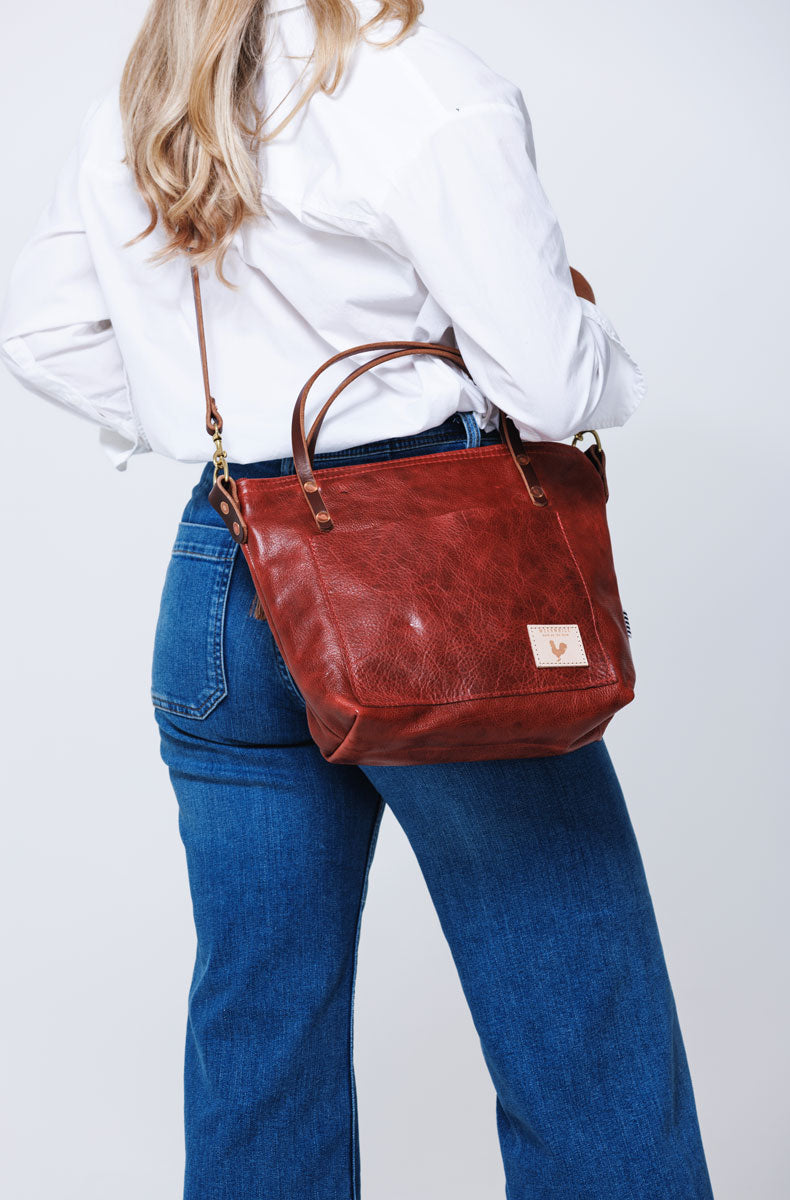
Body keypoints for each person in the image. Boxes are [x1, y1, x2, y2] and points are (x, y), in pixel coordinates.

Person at [0, 1, 714, 1196]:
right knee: (581, 1029)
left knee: (259, 1041)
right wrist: (608, 359)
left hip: (227, 568)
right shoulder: (421, 84)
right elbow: (544, 378)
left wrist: (206, 423)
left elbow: (41, 334)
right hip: (429, 579)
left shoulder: (148, 96)